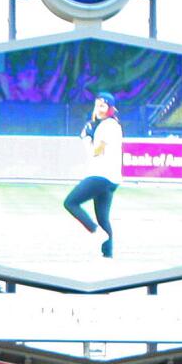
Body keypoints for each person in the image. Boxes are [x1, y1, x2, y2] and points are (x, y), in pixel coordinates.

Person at [62, 92, 123, 258]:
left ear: (110, 108)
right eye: (97, 105)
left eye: (103, 106)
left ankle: (97, 233)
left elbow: (96, 152)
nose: (99, 109)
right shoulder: (109, 125)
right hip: (110, 178)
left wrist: (87, 139)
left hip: (101, 175)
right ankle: (107, 252)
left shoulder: (107, 125)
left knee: (70, 202)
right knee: (103, 218)